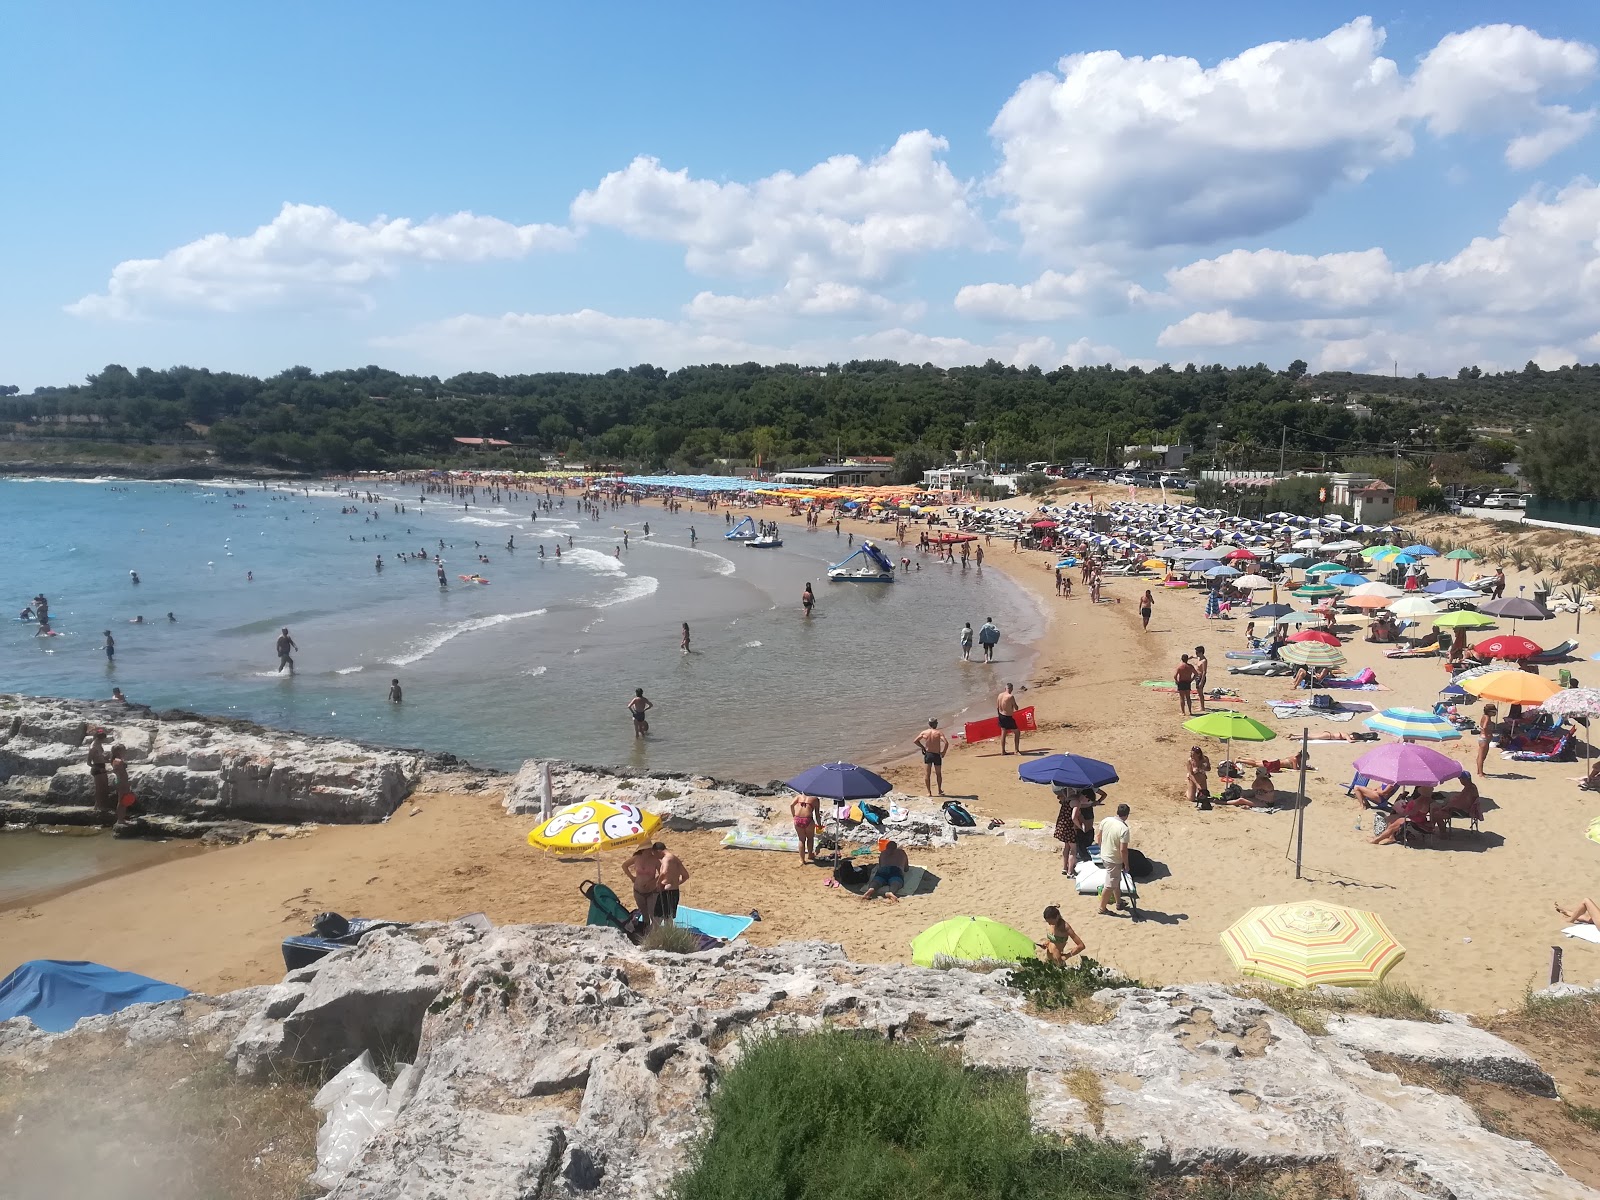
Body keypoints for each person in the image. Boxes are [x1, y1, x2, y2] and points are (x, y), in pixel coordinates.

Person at [1054, 786, 1099, 876]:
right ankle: (1070, 871)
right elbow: (1074, 817)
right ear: (1085, 797)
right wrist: (1080, 827)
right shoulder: (1077, 802)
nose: (1087, 803)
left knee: (1067, 847)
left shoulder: (1069, 797)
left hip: (1062, 825)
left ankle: (1064, 868)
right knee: (1073, 850)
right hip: (1070, 828)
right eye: (1088, 800)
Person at [1096, 804, 1132, 916]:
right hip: (1114, 859)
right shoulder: (1124, 829)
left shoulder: (1106, 820)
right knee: (1110, 884)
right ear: (1127, 815)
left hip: (1105, 855)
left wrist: (1103, 848)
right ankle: (1102, 908)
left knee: (1116, 880)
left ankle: (1119, 902)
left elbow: (1098, 837)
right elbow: (1123, 850)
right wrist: (1126, 864)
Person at [622, 843, 663, 928]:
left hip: (651, 891)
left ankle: (653, 932)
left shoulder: (655, 860)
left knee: (653, 914)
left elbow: (662, 873)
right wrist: (632, 878)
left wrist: (652, 882)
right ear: (643, 850)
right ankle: (646, 929)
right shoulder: (636, 858)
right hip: (638, 890)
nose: (650, 851)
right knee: (644, 913)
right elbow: (624, 866)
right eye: (648, 849)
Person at [913, 718, 949, 796]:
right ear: (936, 724)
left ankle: (929, 792)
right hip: (936, 754)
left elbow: (915, 741)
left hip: (928, 754)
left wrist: (923, 747)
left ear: (929, 724)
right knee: (938, 773)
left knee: (927, 774)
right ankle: (939, 790)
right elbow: (946, 743)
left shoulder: (924, 732)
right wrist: (943, 752)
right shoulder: (939, 733)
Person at [654, 842, 689, 922]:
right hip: (675, 891)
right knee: (669, 918)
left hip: (666, 891)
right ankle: (669, 934)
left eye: (655, 854)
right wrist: (676, 883)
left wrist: (658, 883)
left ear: (658, 851)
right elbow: (686, 876)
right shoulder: (675, 859)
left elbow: (664, 872)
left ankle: (655, 934)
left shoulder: (666, 859)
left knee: (657, 918)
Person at [108, 742, 136, 826]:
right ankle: (120, 819)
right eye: (124, 750)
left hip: (121, 781)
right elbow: (118, 773)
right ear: (119, 751)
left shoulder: (117, 760)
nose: (125, 752)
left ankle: (122, 818)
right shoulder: (118, 761)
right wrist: (123, 783)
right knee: (121, 801)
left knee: (124, 800)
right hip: (121, 782)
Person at [87, 727, 111, 817]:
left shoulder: (99, 745)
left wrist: (106, 759)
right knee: (99, 789)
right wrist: (98, 768)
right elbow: (89, 762)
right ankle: (98, 807)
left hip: (102, 766)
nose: (103, 741)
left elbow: (100, 757)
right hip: (97, 768)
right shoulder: (93, 747)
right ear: (99, 738)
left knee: (104, 787)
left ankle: (100, 805)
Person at [790, 792, 819, 864]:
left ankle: (802, 859)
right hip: (808, 819)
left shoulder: (799, 796)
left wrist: (794, 815)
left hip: (798, 819)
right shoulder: (815, 799)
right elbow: (817, 814)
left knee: (801, 840)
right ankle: (810, 855)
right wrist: (819, 824)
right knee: (810, 838)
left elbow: (791, 805)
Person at [996, 683, 1022, 754]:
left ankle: (1003, 751)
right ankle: (1016, 750)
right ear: (1011, 689)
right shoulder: (1010, 697)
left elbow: (997, 707)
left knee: (1003, 732)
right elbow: (1016, 707)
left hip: (1001, 715)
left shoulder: (1000, 695)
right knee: (1017, 732)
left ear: (1005, 688)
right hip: (1007, 716)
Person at [1476, 703, 1498, 775]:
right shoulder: (1487, 717)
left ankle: (1479, 771)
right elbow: (1484, 727)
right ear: (1489, 712)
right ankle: (1480, 773)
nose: (1495, 713)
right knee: (1482, 756)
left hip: (1482, 738)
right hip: (1484, 738)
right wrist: (1487, 734)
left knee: (1480, 755)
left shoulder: (1484, 716)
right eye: (1494, 712)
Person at [1191, 646, 1209, 712]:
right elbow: (1193, 656)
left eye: (1197, 652)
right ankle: (1201, 706)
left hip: (1201, 677)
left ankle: (1202, 707)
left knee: (1200, 693)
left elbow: (1204, 672)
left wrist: (1201, 681)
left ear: (1201, 653)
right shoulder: (1198, 657)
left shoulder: (1204, 661)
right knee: (1199, 692)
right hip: (1197, 676)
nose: (1196, 653)